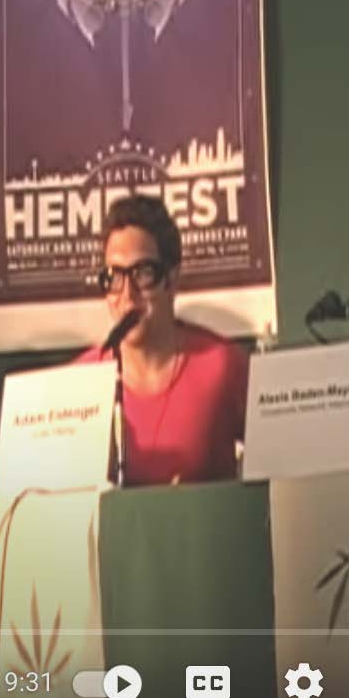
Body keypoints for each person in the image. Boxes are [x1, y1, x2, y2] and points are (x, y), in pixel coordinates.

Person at [76, 195, 249, 487]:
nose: (127, 296)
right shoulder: (79, 382)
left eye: (143, 274)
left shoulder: (222, 366)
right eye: (114, 277)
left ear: (172, 277)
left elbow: (282, 469)